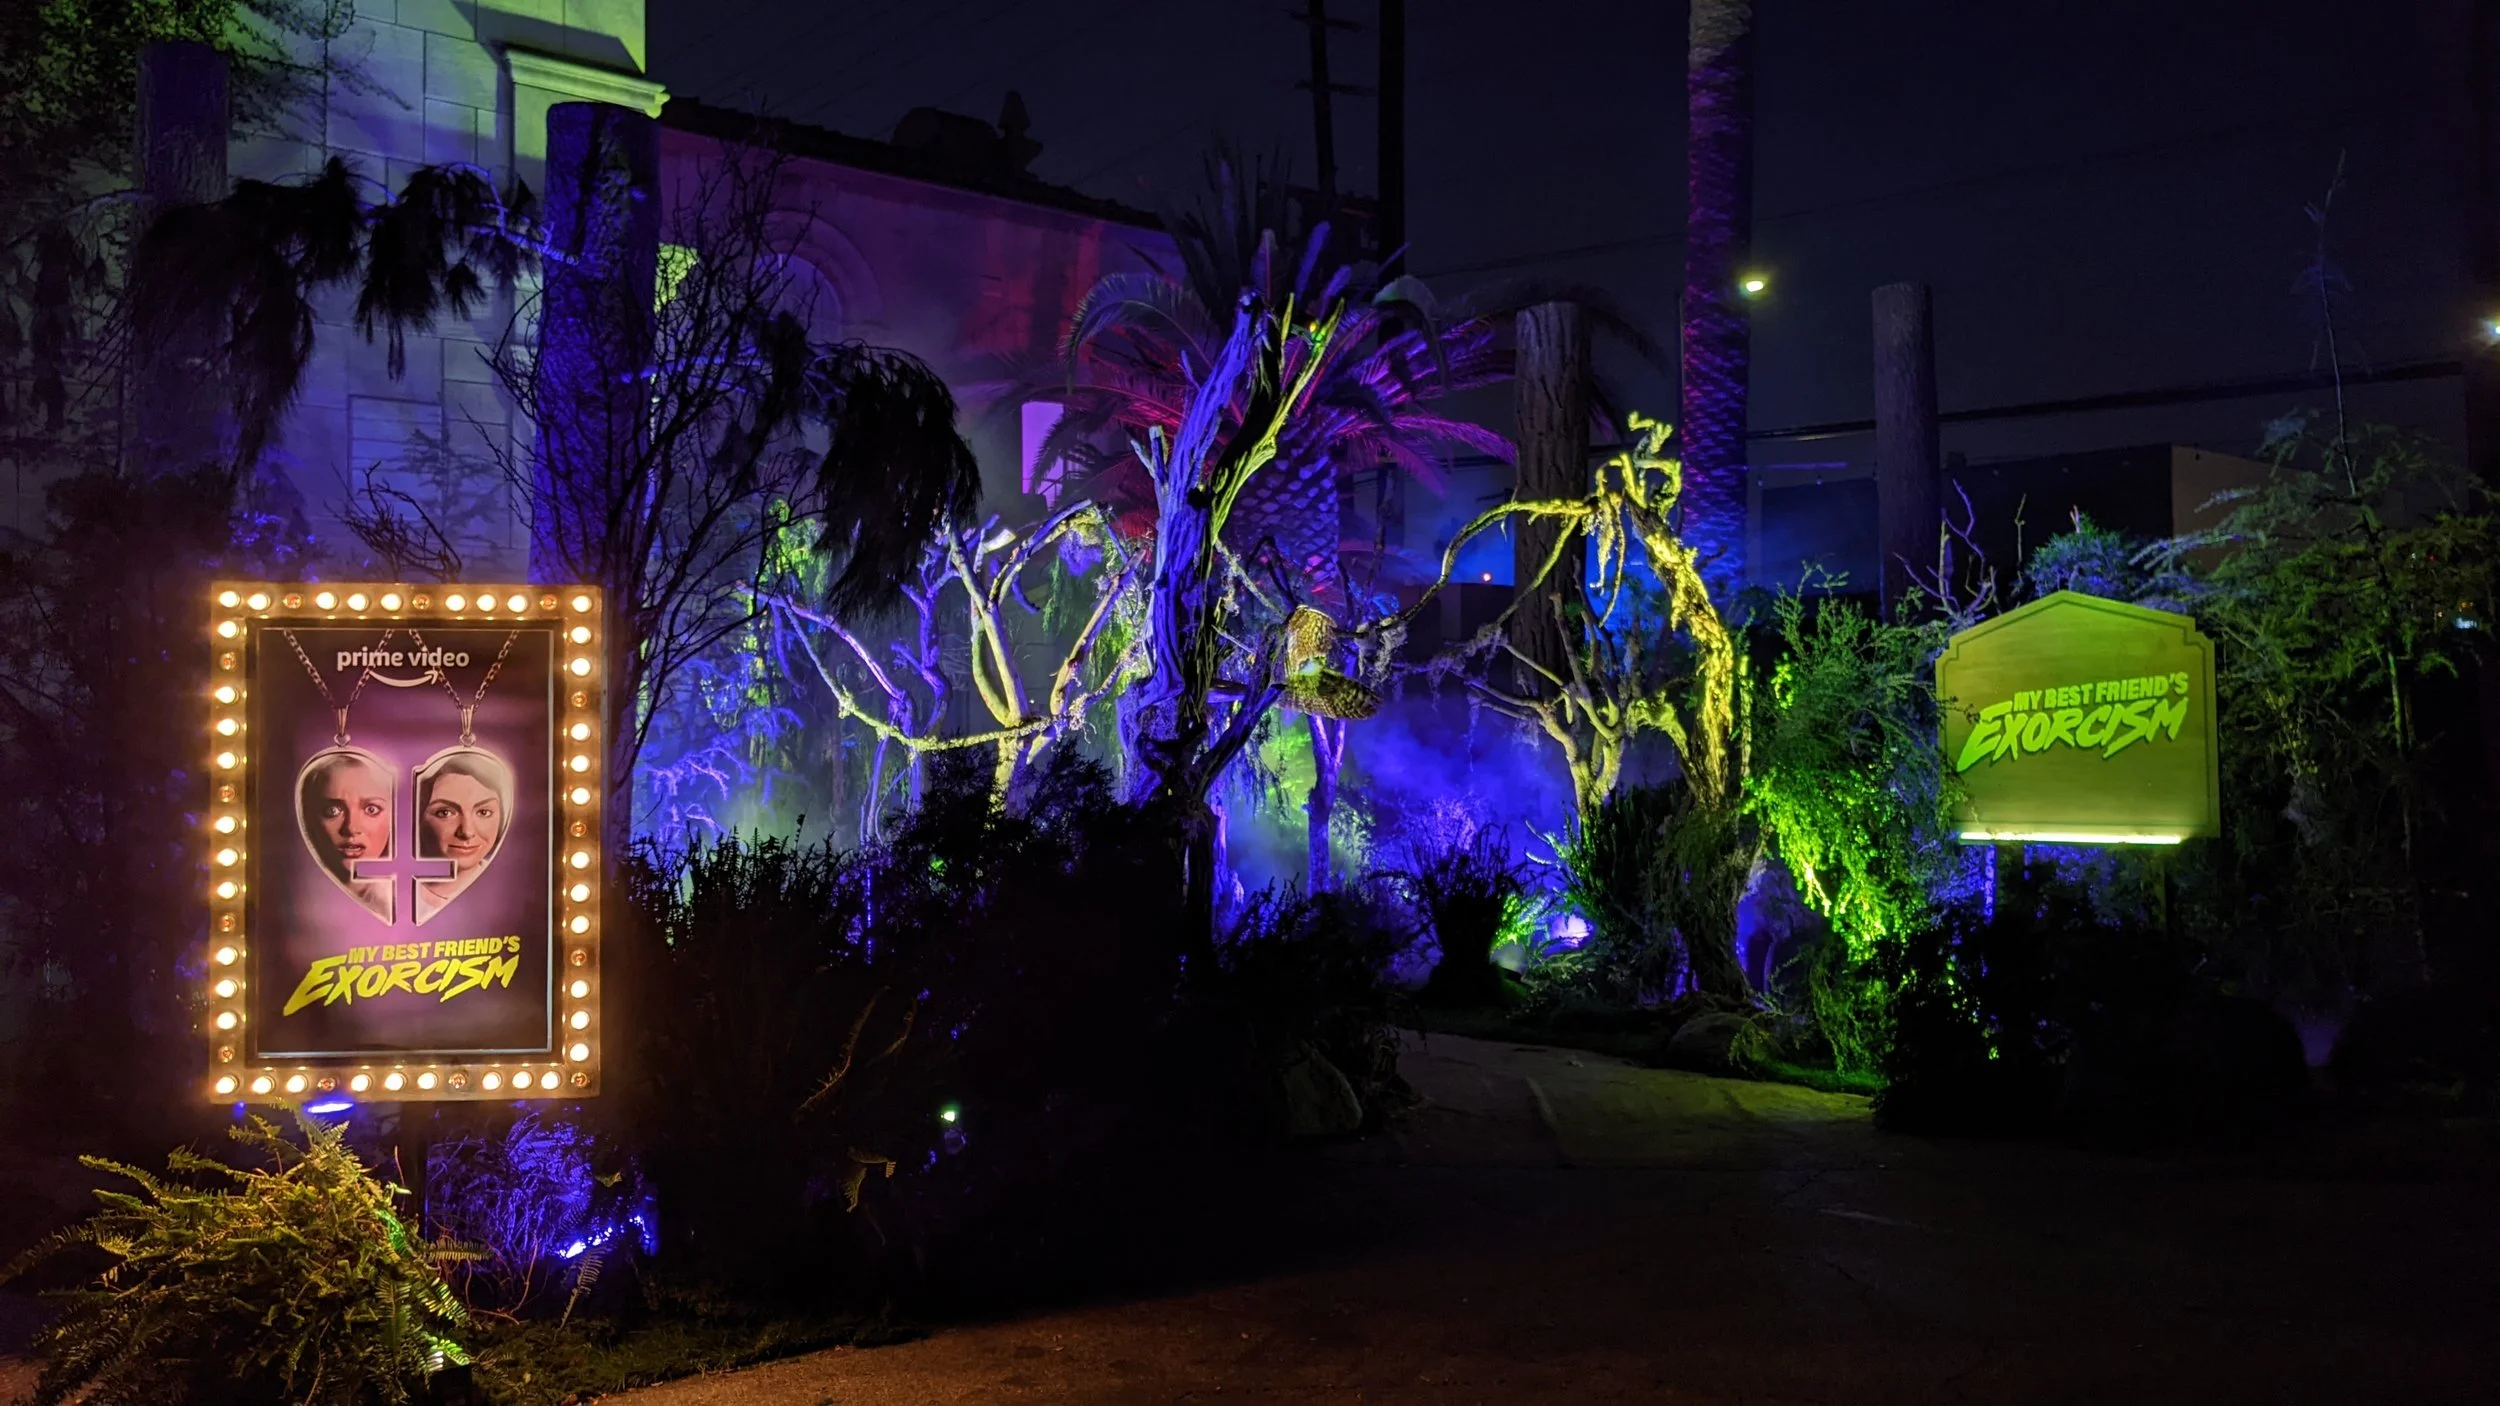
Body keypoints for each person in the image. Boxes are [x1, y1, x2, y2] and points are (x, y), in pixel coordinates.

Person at [415, 749, 513, 924]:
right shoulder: (387, 896)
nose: (467, 831)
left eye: (483, 812)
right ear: (418, 816)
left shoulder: (512, 891)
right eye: (445, 812)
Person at [298, 749, 394, 922]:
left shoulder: (399, 906)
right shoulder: (297, 905)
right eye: (333, 811)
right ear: (308, 817)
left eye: (371, 809)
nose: (351, 828)